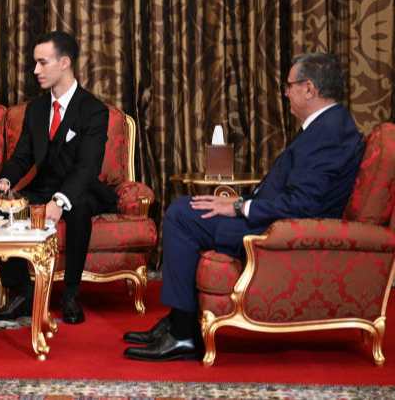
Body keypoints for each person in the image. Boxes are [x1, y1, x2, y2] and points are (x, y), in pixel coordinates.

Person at [123, 52, 365, 362]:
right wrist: (240, 203)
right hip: (274, 219)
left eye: (289, 86)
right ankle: (178, 321)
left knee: (182, 214)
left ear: (309, 89)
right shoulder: (329, 124)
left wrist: (240, 207)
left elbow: (301, 203)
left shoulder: (327, 133)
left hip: (279, 232)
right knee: (188, 207)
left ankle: (183, 333)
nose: (286, 92)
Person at [0, 31, 117, 324]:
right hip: (43, 186)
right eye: (35, 63)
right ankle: (23, 292)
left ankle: (71, 294)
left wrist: (61, 200)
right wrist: (5, 181)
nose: (36, 71)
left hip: (81, 188)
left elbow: (87, 166)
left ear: (65, 62)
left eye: (42, 63)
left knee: (77, 209)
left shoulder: (93, 110)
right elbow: (21, 158)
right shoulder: (36, 110)